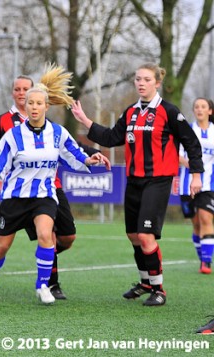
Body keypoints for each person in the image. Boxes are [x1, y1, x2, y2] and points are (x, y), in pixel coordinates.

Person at [71, 62, 204, 306]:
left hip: (158, 181)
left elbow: (192, 143)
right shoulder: (131, 112)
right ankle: (145, 283)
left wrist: (196, 174)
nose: (141, 83)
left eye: (146, 79)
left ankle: (159, 290)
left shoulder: (169, 112)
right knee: (133, 235)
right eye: (138, 79)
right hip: (134, 181)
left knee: (145, 235)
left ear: (157, 83)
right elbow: (112, 138)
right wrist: (86, 121)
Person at [0, 64, 110, 305]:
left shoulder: (58, 133)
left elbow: (74, 154)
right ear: (25, 107)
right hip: (15, 197)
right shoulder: (14, 135)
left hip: (45, 195)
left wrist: (91, 158)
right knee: (2, 246)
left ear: (46, 106)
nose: (34, 107)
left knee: (46, 234)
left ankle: (43, 286)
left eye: (39, 104)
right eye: (31, 104)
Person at [179, 97, 214, 274]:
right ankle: (202, 256)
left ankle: (206, 263)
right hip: (187, 185)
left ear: (210, 111)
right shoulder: (187, 131)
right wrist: (189, 163)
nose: (199, 109)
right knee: (196, 224)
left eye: (203, 107)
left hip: (209, 185)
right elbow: (175, 154)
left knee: (206, 218)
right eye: (196, 107)